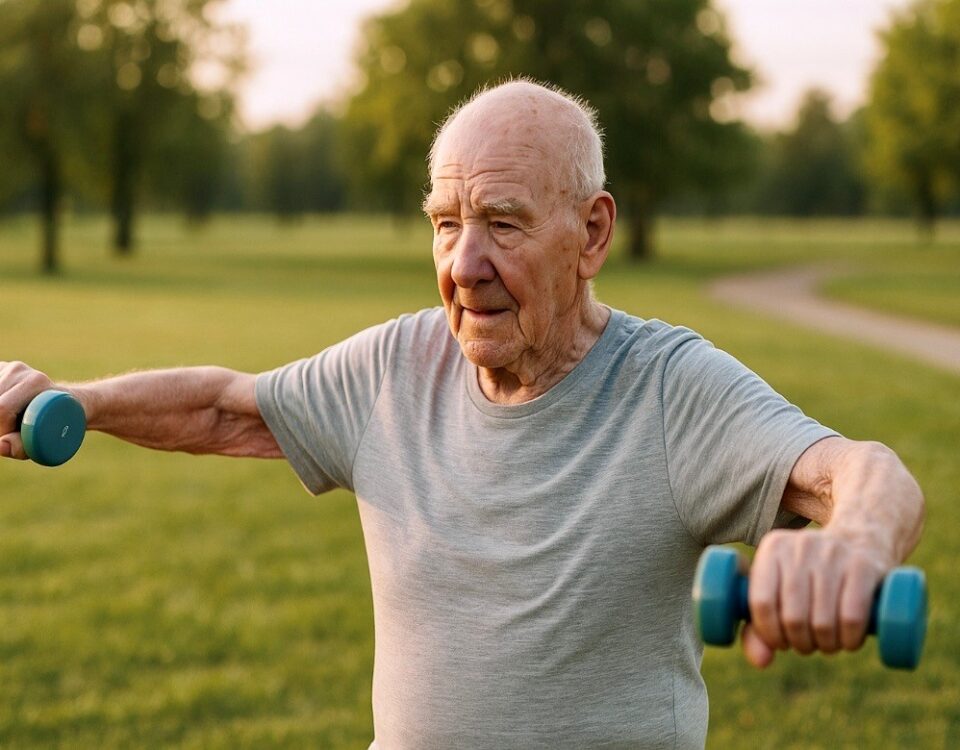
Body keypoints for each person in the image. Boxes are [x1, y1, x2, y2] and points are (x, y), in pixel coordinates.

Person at [0, 80, 924, 749]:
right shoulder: (397, 365)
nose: (464, 263)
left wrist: (856, 546)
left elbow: (858, 472)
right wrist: (74, 399)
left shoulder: (670, 387)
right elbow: (225, 407)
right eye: (446, 223)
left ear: (593, 233)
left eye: (504, 223)